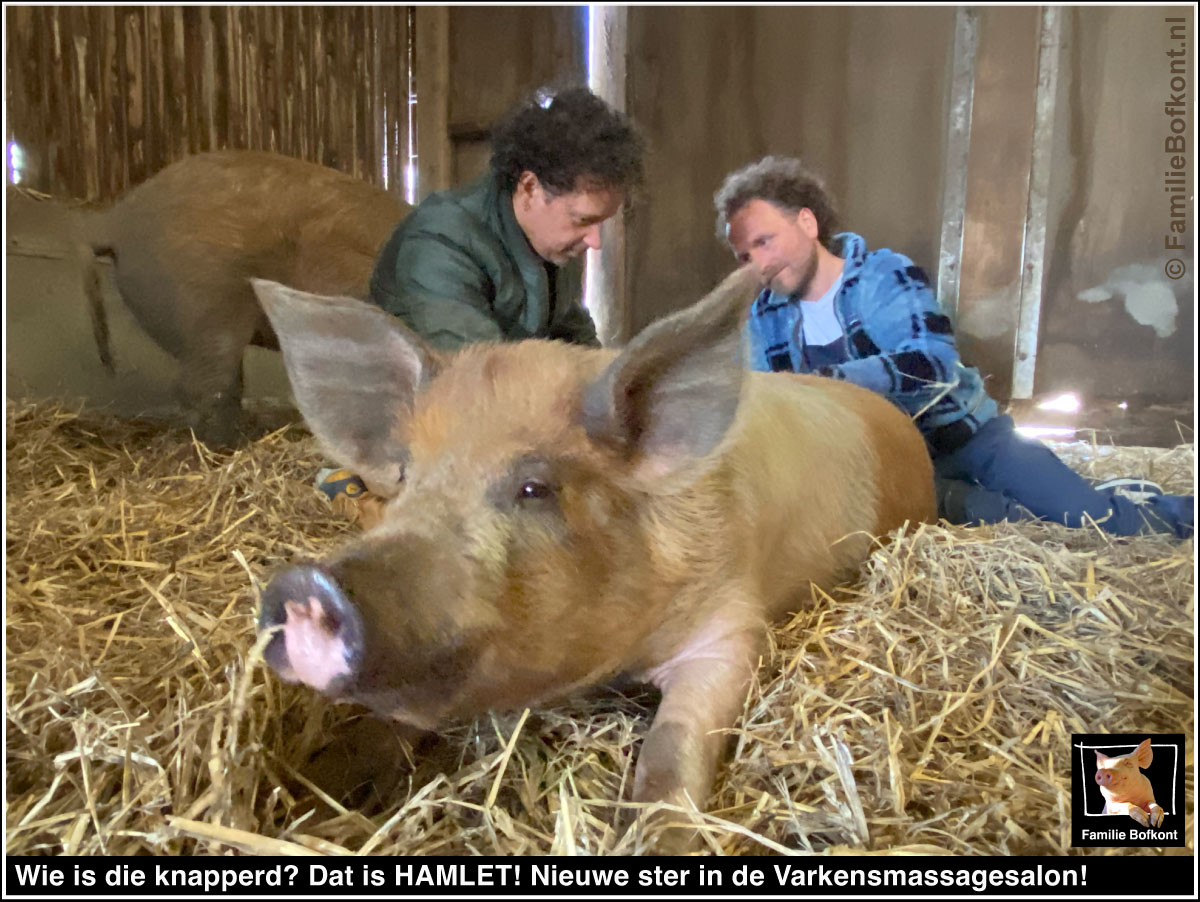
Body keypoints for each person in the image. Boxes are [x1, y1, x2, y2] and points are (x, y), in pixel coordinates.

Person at [712, 155, 1194, 540]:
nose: (756, 264)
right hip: (898, 471)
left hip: (971, 441)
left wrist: (820, 386)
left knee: (1097, 522)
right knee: (1012, 523)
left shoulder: (880, 275)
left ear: (807, 222)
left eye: (764, 241)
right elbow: (761, 404)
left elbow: (933, 364)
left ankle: (1162, 510)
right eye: (743, 256)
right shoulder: (763, 318)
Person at [316, 86, 646, 522]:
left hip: (505, 431)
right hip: (436, 433)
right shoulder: (437, 245)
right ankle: (344, 487)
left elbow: (572, 328)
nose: (595, 241)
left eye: (601, 223)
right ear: (530, 188)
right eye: (583, 220)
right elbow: (480, 387)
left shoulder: (549, 244)